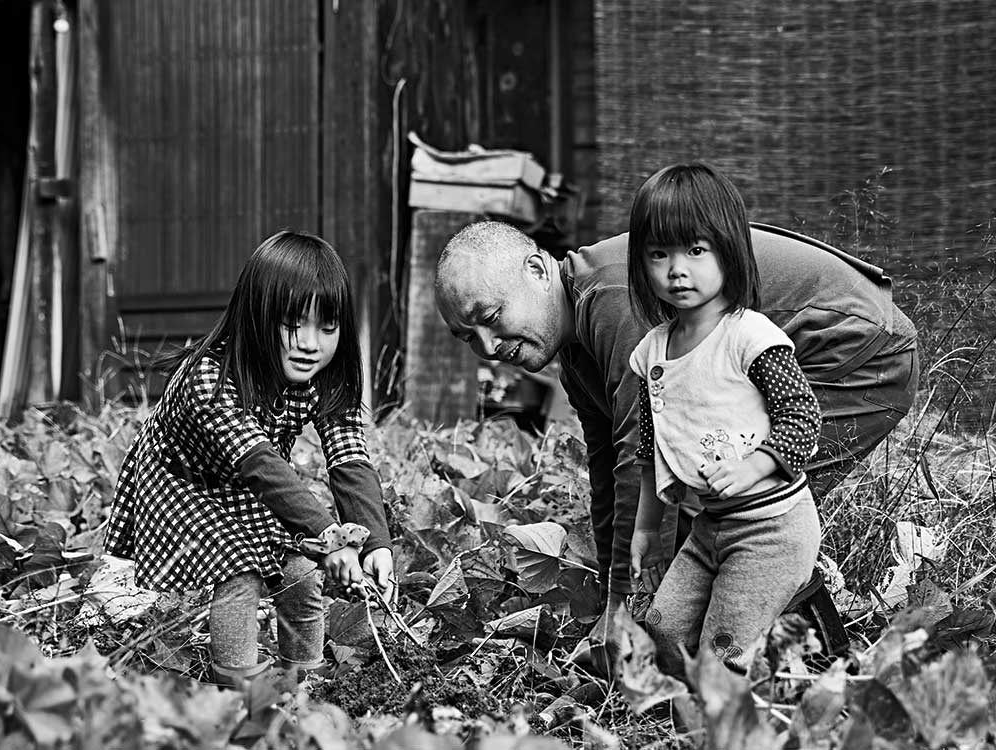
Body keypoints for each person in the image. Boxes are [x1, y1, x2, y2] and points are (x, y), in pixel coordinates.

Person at [433, 180, 918, 647]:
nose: (488, 347)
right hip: (825, 353)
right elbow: (609, 472)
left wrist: (625, 609)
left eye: (492, 318)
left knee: (749, 517)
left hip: (856, 355)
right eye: (465, 337)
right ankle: (734, 657)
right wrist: (613, 598)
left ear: (538, 271)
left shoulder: (612, 301)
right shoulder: (576, 352)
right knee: (714, 517)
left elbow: (637, 462)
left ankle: (792, 665)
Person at [103, 230, 394, 685]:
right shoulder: (208, 378)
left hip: (251, 484)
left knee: (299, 567)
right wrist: (330, 534)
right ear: (255, 315)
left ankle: (304, 675)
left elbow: (349, 458)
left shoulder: (325, 377)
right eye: (293, 323)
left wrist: (374, 541)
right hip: (186, 484)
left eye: (327, 327)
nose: (310, 343)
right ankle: (239, 685)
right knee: (238, 573)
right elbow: (259, 463)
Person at [626, 162, 822, 674]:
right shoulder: (653, 354)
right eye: (658, 254)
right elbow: (652, 448)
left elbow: (803, 417)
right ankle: (688, 712)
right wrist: (646, 530)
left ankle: (733, 719)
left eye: (695, 250)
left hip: (772, 528)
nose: (676, 269)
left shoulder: (749, 337)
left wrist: (754, 464)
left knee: (723, 651)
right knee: (664, 630)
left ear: (728, 249)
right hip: (711, 526)